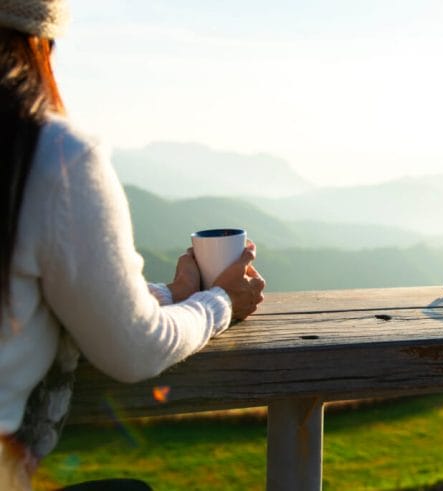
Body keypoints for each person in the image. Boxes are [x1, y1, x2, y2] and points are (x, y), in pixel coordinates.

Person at [0, 1, 266, 489]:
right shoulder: (52, 155)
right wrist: (221, 302)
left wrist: (170, 294)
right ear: (40, 44)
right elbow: (134, 350)